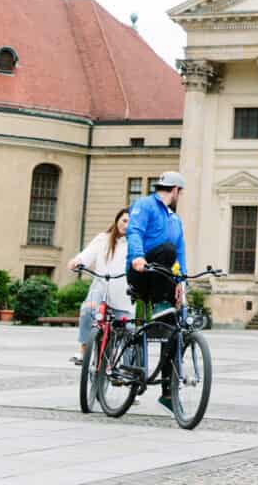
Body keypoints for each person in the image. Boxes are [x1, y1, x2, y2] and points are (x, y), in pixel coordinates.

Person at [126, 171, 190, 413]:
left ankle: (167, 393)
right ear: (174, 190)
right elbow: (134, 232)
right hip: (141, 273)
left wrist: (182, 282)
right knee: (166, 248)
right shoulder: (145, 205)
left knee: (177, 332)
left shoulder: (175, 219)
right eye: (179, 193)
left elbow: (181, 253)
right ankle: (161, 305)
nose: (179, 197)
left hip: (163, 280)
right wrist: (137, 256)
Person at [68, 208, 133, 365]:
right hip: (100, 285)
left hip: (122, 290)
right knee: (87, 310)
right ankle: (84, 350)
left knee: (128, 329)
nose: (126, 225)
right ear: (117, 220)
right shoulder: (102, 239)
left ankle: (128, 367)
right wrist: (77, 261)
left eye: (130, 223)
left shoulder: (135, 243)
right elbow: (87, 254)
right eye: (124, 220)